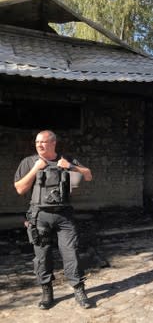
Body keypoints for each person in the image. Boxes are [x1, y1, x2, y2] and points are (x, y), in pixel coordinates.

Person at [14, 130, 93, 310]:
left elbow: (88, 175)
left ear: (53, 143)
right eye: (37, 142)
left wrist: (70, 167)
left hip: (64, 217)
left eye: (43, 142)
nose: (39, 145)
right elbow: (19, 189)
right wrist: (36, 168)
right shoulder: (28, 162)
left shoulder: (66, 159)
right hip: (39, 217)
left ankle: (79, 290)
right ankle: (47, 292)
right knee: (42, 256)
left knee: (71, 253)